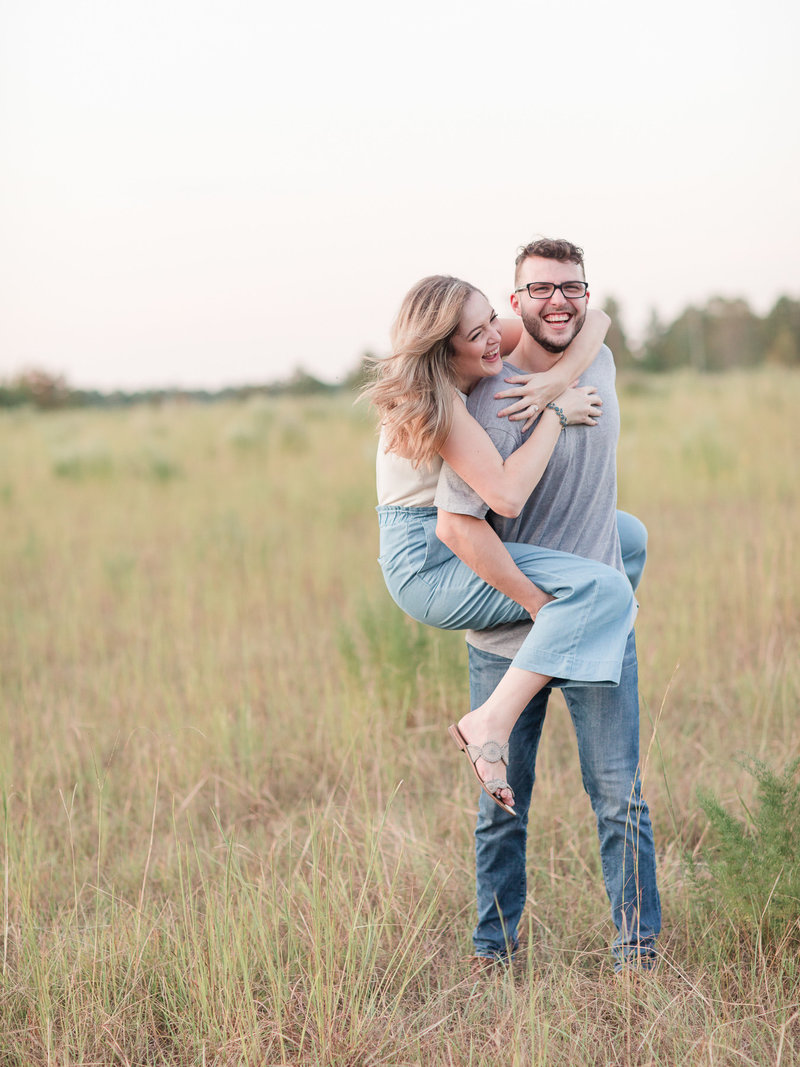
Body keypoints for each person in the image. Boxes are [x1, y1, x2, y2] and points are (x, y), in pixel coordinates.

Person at [435, 238, 661, 972]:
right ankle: (493, 954)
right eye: (541, 289)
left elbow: (590, 333)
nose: (559, 300)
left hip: (597, 622)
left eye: (573, 287)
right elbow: (461, 523)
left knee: (621, 799)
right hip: (509, 633)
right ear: (514, 299)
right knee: (502, 809)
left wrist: (560, 383)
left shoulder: (598, 358)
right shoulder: (482, 397)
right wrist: (533, 601)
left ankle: (637, 956)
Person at [365, 275, 641, 814]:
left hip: (459, 538)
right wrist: (557, 413)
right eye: (478, 333)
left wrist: (550, 380)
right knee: (598, 589)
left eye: (494, 318)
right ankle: (489, 721)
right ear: (444, 350)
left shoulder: (482, 342)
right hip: (428, 563)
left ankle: (576, 631)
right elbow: (507, 496)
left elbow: (597, 321)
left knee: (627, 536)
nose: (496, 337)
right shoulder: (438, 402)